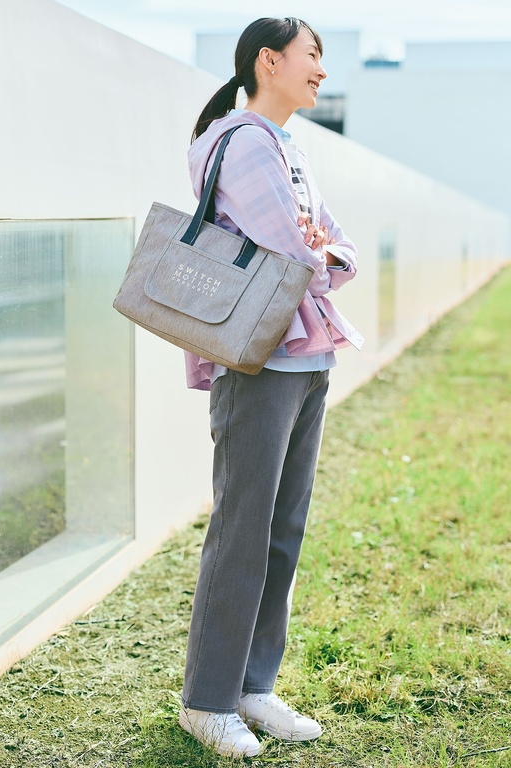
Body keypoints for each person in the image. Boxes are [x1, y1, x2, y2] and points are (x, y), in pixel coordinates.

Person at [178, 17, 364, 758]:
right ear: (269, 60)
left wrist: (326, 255)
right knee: (243, 534)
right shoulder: (243, 140)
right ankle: (207, 700)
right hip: (258, 365)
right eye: (312, 55)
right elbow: (297, 249)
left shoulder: (287, 145)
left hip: (305, 358)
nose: (320, 69)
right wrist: (324, 255)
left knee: (281, 534)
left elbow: (332, 244)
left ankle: (254, 687)